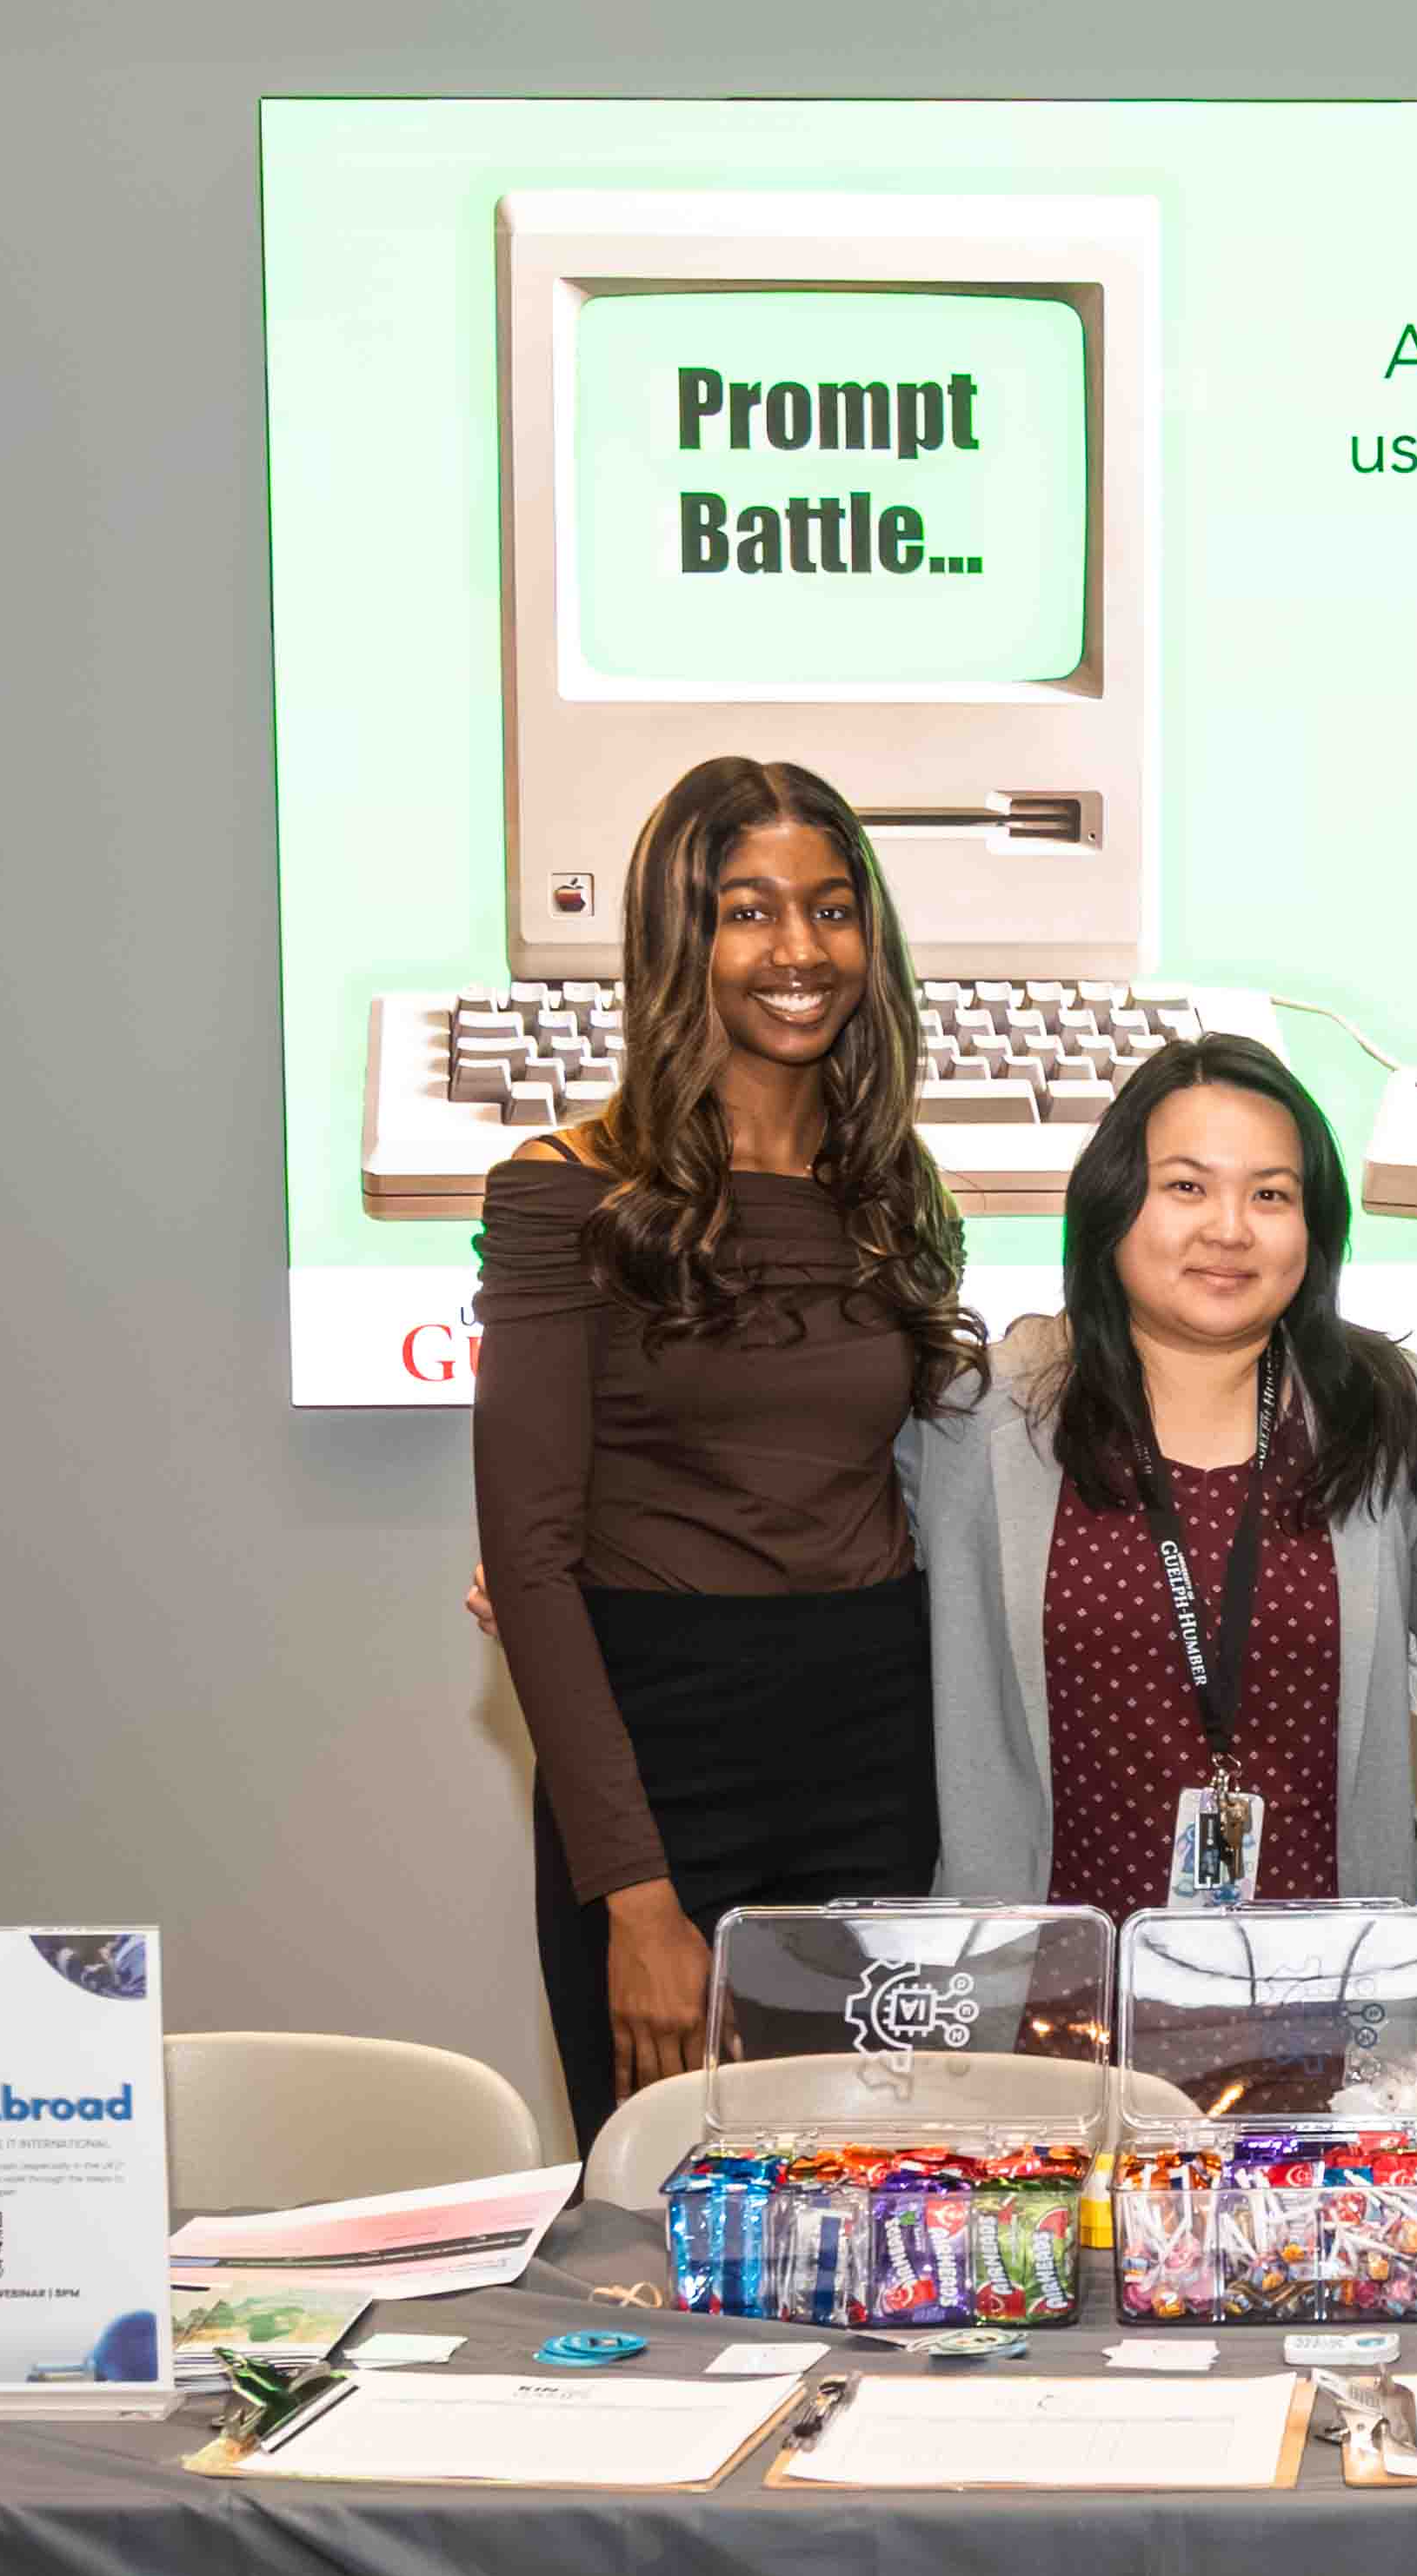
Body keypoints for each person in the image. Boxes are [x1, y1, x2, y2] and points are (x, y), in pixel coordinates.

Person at [472, 756, 980, 2148]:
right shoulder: (565, 1192)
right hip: (661, 1761)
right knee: (663, 2217)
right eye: (747, 911)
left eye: (830, 908)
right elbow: (527, 1556)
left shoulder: (894, 1190)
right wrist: (635, 1898)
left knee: (877, 2208)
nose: (798, 951)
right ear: (674, 938)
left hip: (874, 1747)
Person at [907, 1033, 1417, 1924]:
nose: (1230, 1229)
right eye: (1187, 1186)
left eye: (1271, 1194)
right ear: (1114, 1202)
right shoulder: (979, 1414)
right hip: (1053, 2005)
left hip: (1325, 1995)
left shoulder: (1382, 1409)